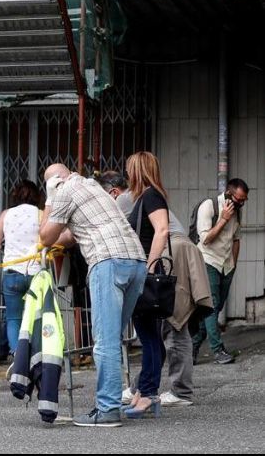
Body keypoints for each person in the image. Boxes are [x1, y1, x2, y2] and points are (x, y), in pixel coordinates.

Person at [39, 164, 146, 428]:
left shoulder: (64, 192)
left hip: (107, 263)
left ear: (55, 181)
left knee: (105, 341)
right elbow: (71, 235)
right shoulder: (92, 187)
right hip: (136, 262)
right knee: (114, 337)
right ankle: (112, 399)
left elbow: (45, 236)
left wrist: (50, 198)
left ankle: (107, 409)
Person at [98, 170, 213, 408]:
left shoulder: (128, 198)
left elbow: (109, 228)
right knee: (157, 329)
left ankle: (179, 391)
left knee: (174, 323)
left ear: (113, 191)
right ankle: (142, 387)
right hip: (173, 251)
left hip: (171, 252)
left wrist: (147, 270)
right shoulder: (143, 196)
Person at [121, 152, 170, 419]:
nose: (127, 174)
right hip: (147, 272)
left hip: (146, 273)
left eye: (130, 169)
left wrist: (149, 267)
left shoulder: (150, 195)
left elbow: (162, 230)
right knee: (151, 336)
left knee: (148, 336)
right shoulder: (148, 196)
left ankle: (149, 393)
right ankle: (144, 390)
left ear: (138, 171)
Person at [0, 180, 43, 360]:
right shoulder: (41, 214)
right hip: (36, 272)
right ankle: (36, 356)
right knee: (36, 318)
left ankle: (17, 357)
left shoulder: (6, 214)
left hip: (12, 271)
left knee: (13, 318)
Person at [192, 178, 249, 365]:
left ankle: (192, 347)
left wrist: (234, 265)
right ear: (228, 193)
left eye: (244, 200)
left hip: (226, 265)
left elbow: (236, 239)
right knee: (212, 305)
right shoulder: (209, 207)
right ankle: (217, 351)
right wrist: (223, 219)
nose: (241, 203)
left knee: (213, 309)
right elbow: (205, 239)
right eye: (239, 199)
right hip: (208, 261)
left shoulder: (237, 213)